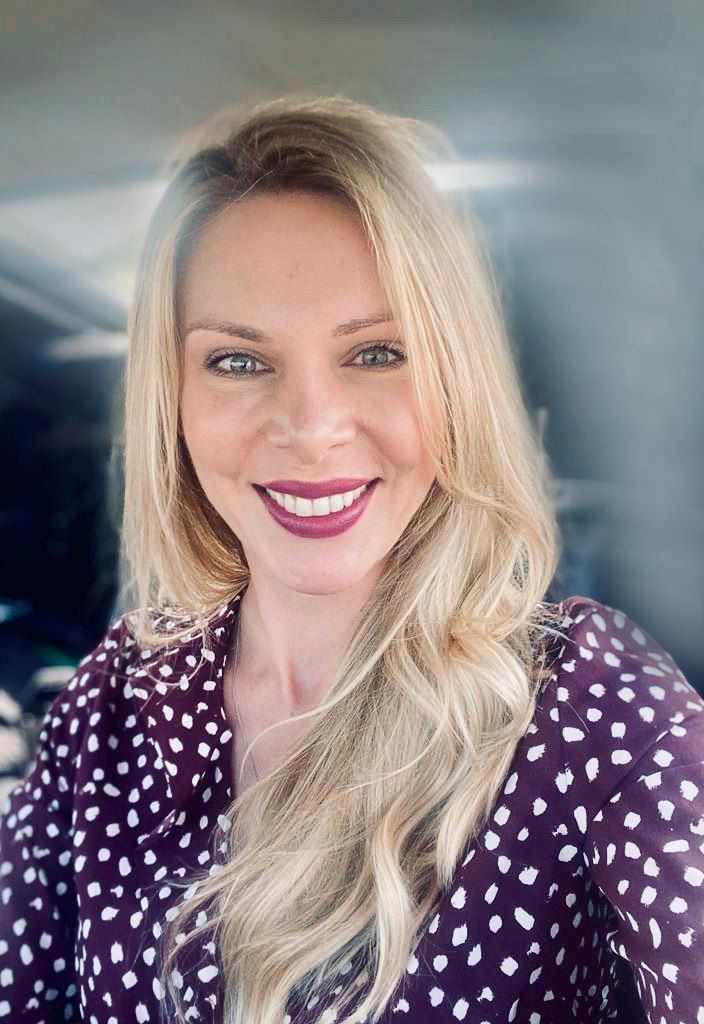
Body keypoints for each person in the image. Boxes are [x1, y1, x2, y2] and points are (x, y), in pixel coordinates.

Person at [0, 95, 702, 1024]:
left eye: (376, 352)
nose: (311, 429)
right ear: (173, 399)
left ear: (455, 382)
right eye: (238, 362)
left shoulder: (596, 706)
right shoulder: (112, 706)